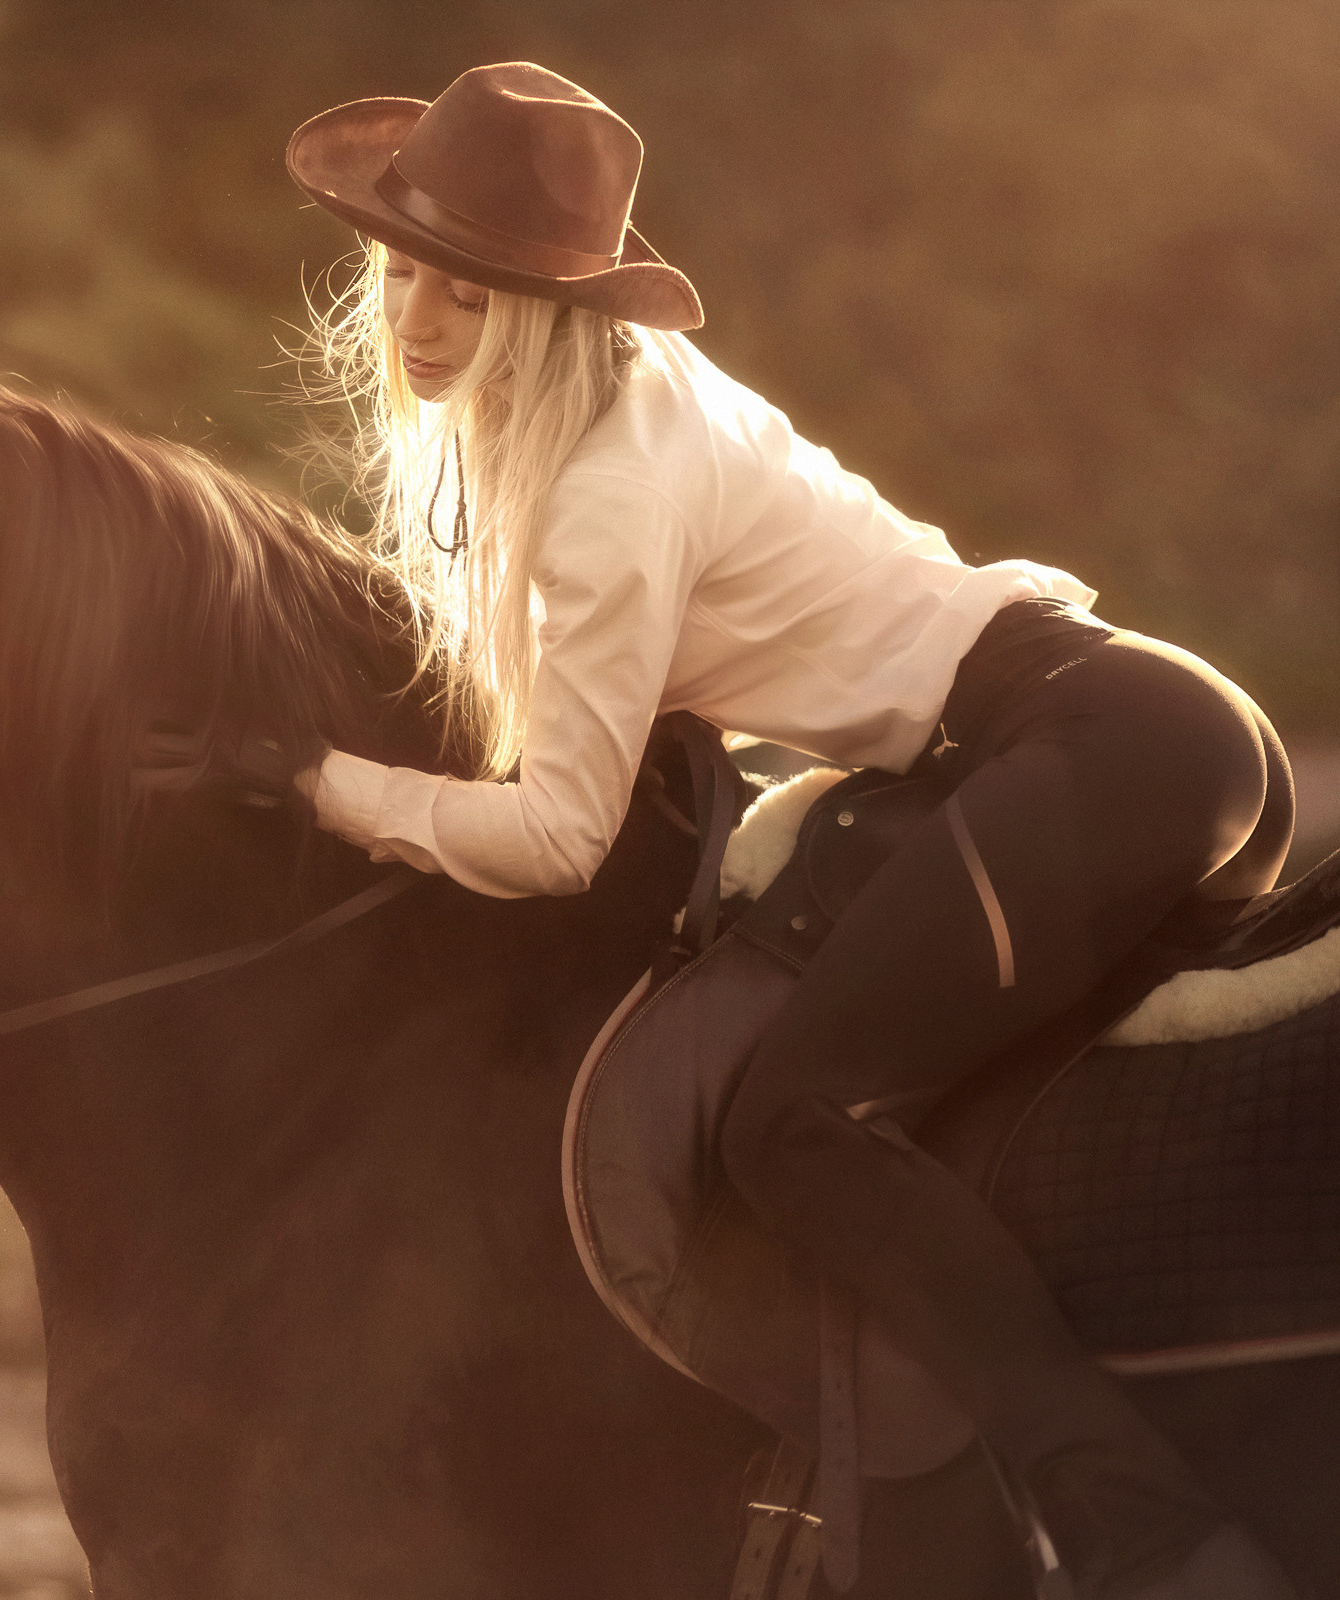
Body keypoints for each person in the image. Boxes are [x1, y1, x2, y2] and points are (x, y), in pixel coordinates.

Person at [279, 61, 1298, 1600]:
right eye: (407, 273)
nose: (420, 323)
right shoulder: (640, 394)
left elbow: (558, 837)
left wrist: (328, 790)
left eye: (471, 297)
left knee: (795, 1124)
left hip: (1102, 746)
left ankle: (1140, 1541)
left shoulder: (606, 493)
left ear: (551, 313)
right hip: (1121, 729)